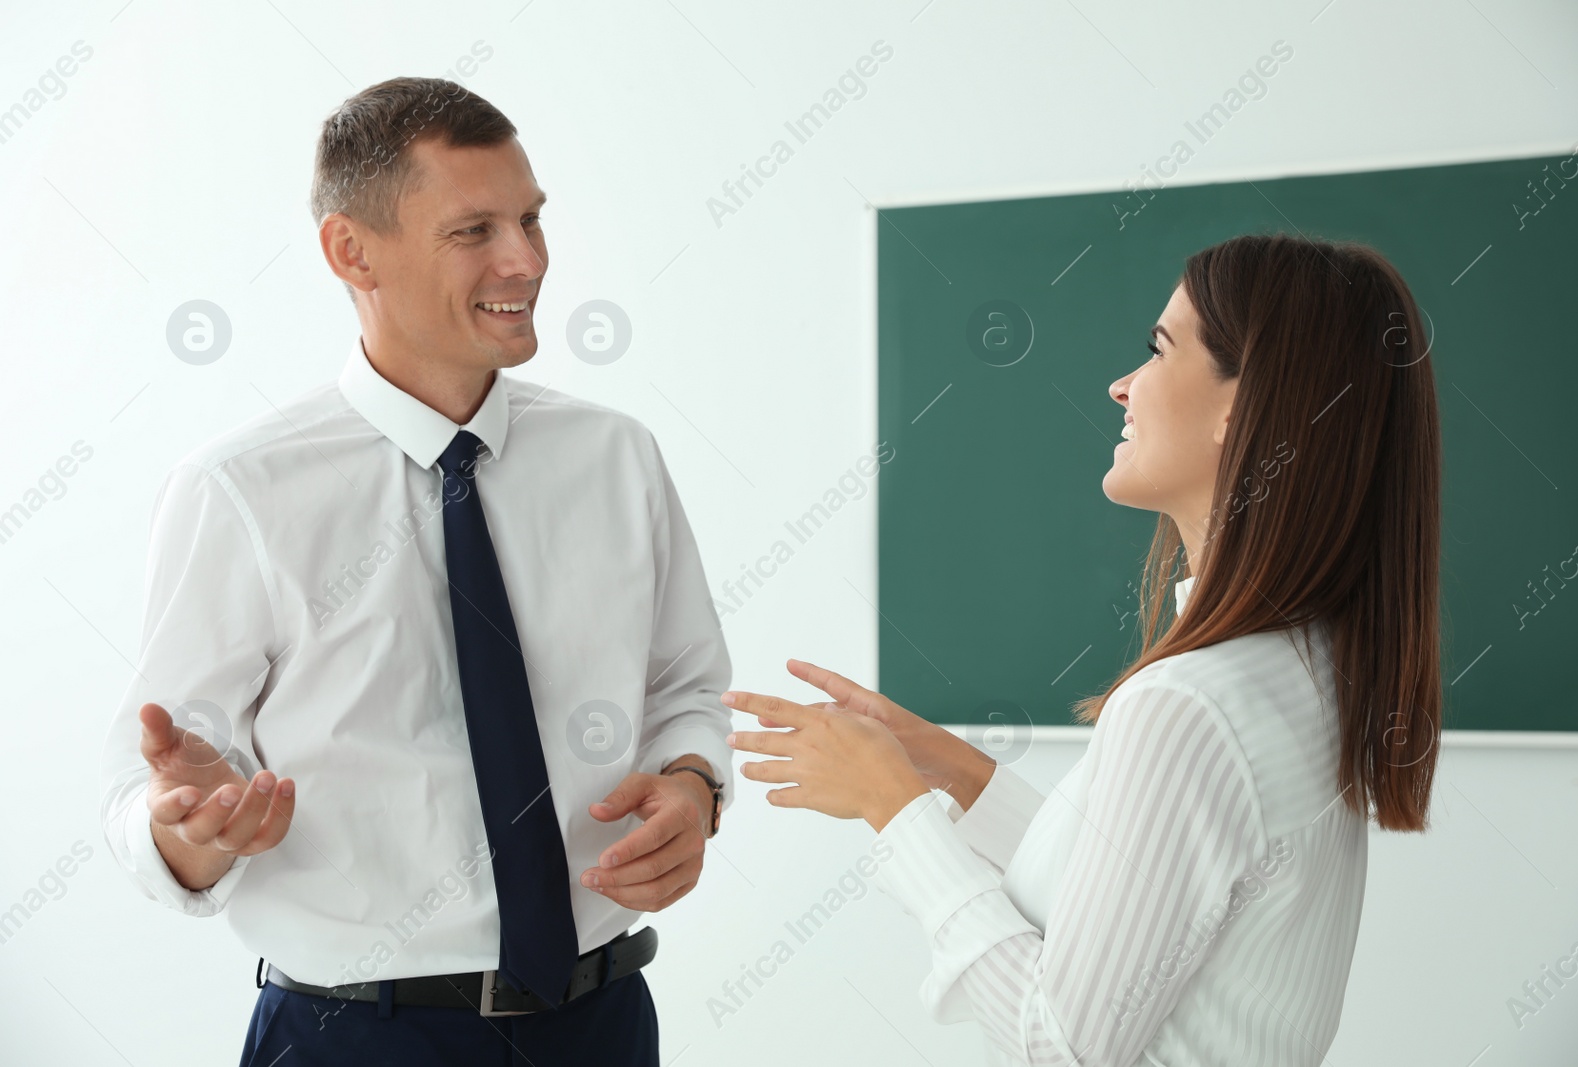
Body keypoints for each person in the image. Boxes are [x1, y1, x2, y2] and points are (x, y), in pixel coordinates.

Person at [97, 76, 733, 1067]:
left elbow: (685, 685)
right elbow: (147, 789)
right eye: (473, 229)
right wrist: (190, 834)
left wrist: (695, 784)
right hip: (356, 1035)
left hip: (602, 1023)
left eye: (530, 218)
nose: (526, 258)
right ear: (353, 250)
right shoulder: (240, 490)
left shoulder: (617, 458)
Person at [726, 233, 1443, 1065]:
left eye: (1157, 351)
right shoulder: (1302, 666)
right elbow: (1149, 894)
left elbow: (1061, 1045)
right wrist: (948, 769)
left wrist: (896, 808)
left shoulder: (1186, 704)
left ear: (1240, 410)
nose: (1121, 386)